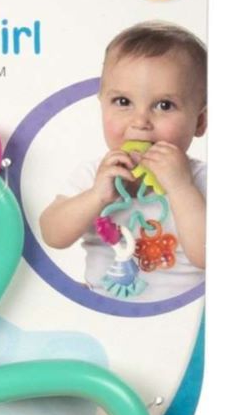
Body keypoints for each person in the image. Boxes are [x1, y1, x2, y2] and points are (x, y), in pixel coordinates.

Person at [40, 22, 207, 300]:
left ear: (200, 121)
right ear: (102, 105)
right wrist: (96, 196)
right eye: (122, 102)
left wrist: (181, 188)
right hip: (105, 312)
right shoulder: (94, 175)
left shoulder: (202, 180)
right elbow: (52, 234)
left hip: (183, 318)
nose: (140, 121)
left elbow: (206, 256)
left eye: (164, 105)